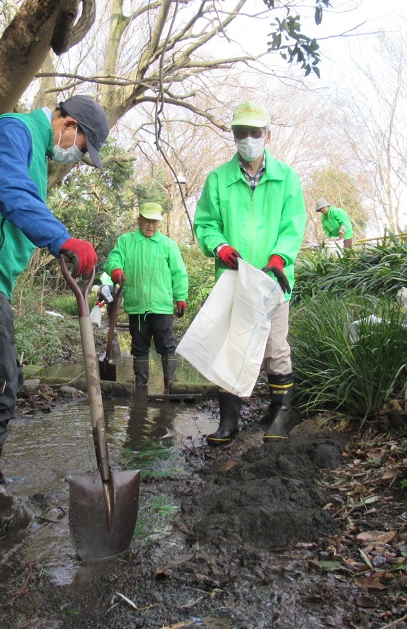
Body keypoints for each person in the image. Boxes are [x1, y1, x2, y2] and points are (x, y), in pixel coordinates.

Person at [0, 95, 109, 532]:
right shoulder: (15, 130)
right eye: (81, 145)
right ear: (67, 123)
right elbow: (9, 188)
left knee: (5, 378)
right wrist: (61, 238)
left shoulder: (33, 149)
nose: (77, 154)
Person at [193, 101, 306, 444]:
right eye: (241, 133)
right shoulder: (218, 180)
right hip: (234, 279)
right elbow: (206, 224)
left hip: (274, 279)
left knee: (276, 348)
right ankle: (229, 422)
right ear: (234, 135)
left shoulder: (287, 178)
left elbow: (293, 225)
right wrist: (219, 247)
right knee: (233, 349)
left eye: (255, 133)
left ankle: (278, 416)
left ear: (266, 135)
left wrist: (279, 258)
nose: (248, 139)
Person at [105, 202, 188, 393]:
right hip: (137, 306)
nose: (151, 226)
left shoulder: (169, 245)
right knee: (139, 346)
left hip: (162, 307)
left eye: (155, 222)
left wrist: (181, 297)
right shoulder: (126, 241)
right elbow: (112, 260)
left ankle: (171, 386)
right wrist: (116, 270)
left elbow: (179, 274)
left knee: (167, 346)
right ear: (139, 220)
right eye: (147, 221)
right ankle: (141, 386)